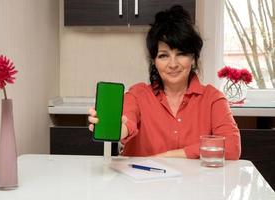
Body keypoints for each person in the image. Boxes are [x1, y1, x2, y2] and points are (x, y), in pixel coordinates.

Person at [88, 5, 241, 159]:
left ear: (193, 58)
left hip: (194, 183)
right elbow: (128, 122)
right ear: (154, 61)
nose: (173, 64)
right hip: (142, 183)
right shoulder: (137, 95)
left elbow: (231, 146)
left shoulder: (213, 98)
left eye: (181, 54)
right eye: (163, 55)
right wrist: (116, 128)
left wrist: (169, 156)